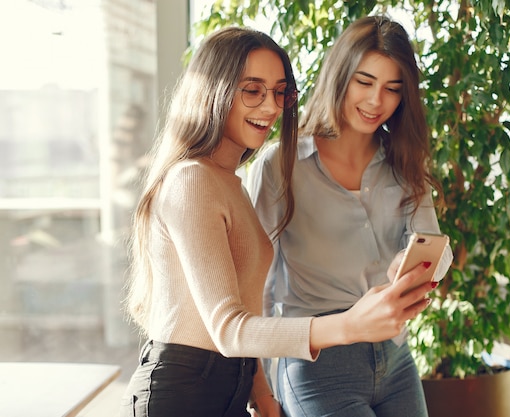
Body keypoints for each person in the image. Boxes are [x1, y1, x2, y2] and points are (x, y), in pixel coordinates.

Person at [120, 26, 437, 417]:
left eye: (279, 92)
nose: (270, 108)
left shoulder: (229, 182)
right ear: (214, 90)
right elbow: (230, 329)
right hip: (179, 393)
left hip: (229, 389)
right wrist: (348, 326)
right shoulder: (192, 179)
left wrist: (261, 395)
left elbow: (250, 308)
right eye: (252, 90)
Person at [246, 15, 454, 417]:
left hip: (396, 358)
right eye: (365, 82)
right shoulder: (281, 164)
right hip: (317, 363)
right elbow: (256, 291)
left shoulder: (403, 160)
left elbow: (436, 249)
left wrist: (412, 266)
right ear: (339, 76)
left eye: (393, 89)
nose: (377, 101)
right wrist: (260, 390)